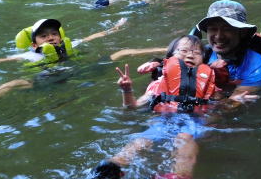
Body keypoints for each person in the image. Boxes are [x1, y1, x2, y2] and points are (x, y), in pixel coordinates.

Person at [93, 35, 236, 179]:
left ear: (203, 60)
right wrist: (127, 90)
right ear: (170, 57)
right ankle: (111, 167)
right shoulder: (158, 85)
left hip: (194, 121)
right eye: (184, 51)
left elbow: (220, 104)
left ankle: (180, 175)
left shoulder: (208, 85)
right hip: (163, 121)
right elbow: (133, 107)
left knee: (184, 140)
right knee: (141, 141)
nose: (190, 55)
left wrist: (235, 101)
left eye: (197, 52)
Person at [0, 18, 127, 108]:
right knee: (15, 83)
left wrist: (114, 28)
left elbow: (94, 36)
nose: (50, 38)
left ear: (60, 36)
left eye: (54, 34)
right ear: (34, 44)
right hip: (48, 81)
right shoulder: (31, 56)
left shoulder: (69, 45)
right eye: (43, 36)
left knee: (122, 53)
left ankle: (159, 53)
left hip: (77, 73)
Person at [196, 0, 261, 97]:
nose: (219, 36)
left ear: (243, 32)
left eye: (227, 29)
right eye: (213, 29)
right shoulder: (201, 54)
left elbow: (229, 107)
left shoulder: (257, 69)